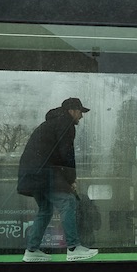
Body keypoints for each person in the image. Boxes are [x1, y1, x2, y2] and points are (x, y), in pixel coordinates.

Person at [17, 97, 98, 262]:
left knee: (45, 209)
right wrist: (71, 179)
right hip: (43, 172)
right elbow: (66, 153)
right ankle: (73, 248)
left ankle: (31, 250)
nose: (81, 116)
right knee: (68, 202)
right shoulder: (65, 124)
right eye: (80, 112)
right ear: (71, 111)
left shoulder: (51, 124)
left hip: (31, 173)